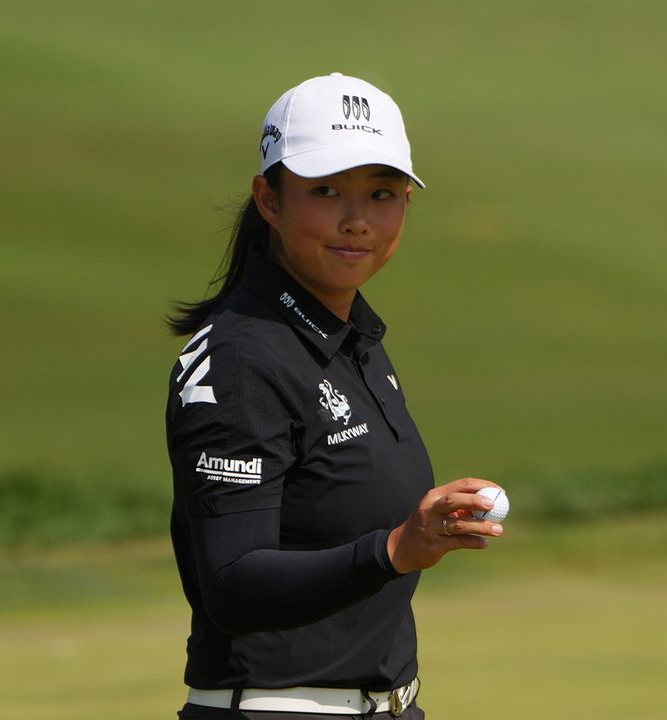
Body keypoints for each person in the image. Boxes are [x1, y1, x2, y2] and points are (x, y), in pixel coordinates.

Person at [165, 72, 504, 719]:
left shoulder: (349, 337)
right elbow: (232, 583)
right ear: (269, 198)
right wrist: (394, 550)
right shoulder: (242, 359)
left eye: (381, 193)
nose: (357, 221)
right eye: (326, 191)